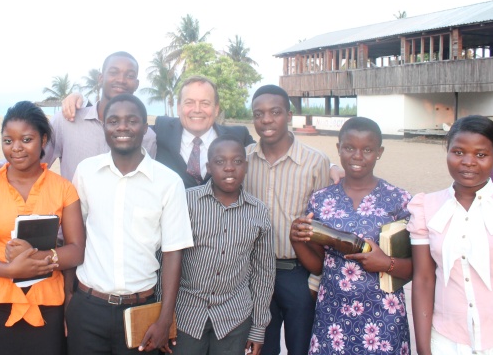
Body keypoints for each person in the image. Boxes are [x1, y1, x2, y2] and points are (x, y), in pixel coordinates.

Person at [66, 93, 194, 354]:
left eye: (132, 120)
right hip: (87, 308)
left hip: (141, 312)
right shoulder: (86, 173)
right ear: (104, 127)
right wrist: (69, 299)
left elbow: (173, 253)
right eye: (113, 121)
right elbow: (73, 239)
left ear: (145, 128)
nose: (122, 127)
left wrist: (164, 318)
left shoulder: (168, 182)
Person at [0, 101, 86, 354]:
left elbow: (76, 250)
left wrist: (42, 259)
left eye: (26, 139)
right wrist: (9, 269)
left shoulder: (63, 188)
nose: (16, 148)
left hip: (46, 303)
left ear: (43, 140)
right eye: (8, 141)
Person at [290, 116, 412, 354]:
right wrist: (297, 239)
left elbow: (416, 267)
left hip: (383, 318)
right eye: (349, 148)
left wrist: (386, 264)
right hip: (332, 315)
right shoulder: (320, 199)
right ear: (338, 149)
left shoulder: (400, 200)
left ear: (380, 152)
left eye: (367, 149)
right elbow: (318, 266)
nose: (357, 156)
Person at [0, 51, 157, 200]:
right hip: (70, 229)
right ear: (100, 78)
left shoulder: (147, 137)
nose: (121, 80)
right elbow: (33, 159)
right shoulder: (68, 120)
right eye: (114, 72)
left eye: (129, 75)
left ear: (137, 83)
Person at [409, 115, 493, 354]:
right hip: (447, 339)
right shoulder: (426, 207)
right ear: (447, 152)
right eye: (459, 152)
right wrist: (423, 349)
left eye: (480, 154)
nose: (468, 162)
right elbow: (423, 279)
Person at [244, 84, 334, 355]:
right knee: (262, 348)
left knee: (302, 348)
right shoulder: (242, 160)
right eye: (258, 114)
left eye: (275, 112)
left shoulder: (316, 161)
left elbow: (323, 224)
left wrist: (316, 281)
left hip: (297, 273)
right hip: (255, 274)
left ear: (289, 114)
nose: (267, 120)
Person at [173, 135, 275, 355]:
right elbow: (167, 261)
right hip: (186, 314)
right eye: (220, 162)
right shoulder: (186, 202)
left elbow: (263, 273)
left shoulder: (259, 211)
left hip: (234, 317)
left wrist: (258, 327)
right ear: (209, 167)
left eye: (237, 161)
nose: (229, 168)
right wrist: (164, 318)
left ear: (246, 166)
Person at [153, 76, 254, 188]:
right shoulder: (160, 130)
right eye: (189, 102)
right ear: (178, 108)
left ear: (216, 109)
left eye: (205, 103)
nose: (197, 110)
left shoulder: (238, 137)